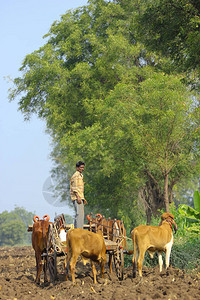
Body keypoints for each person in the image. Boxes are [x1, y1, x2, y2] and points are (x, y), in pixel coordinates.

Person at [70, 161, 87, 229]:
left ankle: (79, 228)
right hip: (77, 197)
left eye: (83, 167)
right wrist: (78, 197)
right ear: (77, 168)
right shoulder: (75, 176)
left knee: (81, 214)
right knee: (79, 214)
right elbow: (74, 187)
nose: (82, 169)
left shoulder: (80, 175)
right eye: (81, 167)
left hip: (80, 196)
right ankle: (78, 229)